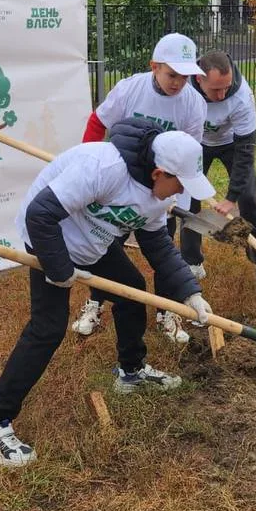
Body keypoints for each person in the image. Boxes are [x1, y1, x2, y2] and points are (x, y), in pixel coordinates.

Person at [0, 119, 215, 468]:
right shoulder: (103, 167)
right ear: (158, 172)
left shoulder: (159, 198)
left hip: (94, 242)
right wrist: (60, 270)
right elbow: (41, 215)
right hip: (48, 238)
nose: (180, 193)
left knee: (133, 293)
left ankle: (131, 372)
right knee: (48, 329)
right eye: (178, 183)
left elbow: (158, 244)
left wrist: (191, 293)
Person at [76, 33, 207, 344]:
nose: (178, 83)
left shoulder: (193, 104)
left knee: (162, 248)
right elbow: (98, 122)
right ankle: (96, 302)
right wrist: (88, 166)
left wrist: (179, 194)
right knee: (108, 247)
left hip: (163, 189)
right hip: (118, 186)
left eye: (186, 76)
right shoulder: (129, 89)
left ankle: (167, 310)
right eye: (172, 74)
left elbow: (192, 150)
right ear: (154, 66)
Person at [179, 50, 256, 293]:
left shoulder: (242, 97)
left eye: (226, 87)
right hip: (195, 142)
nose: (222, 94)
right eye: (215, 89)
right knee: (187, 199)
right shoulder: (183, 89)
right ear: (199, 78)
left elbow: (246, 151)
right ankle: (192, 262)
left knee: (248, 198)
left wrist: (231, 197)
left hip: (232, 144)